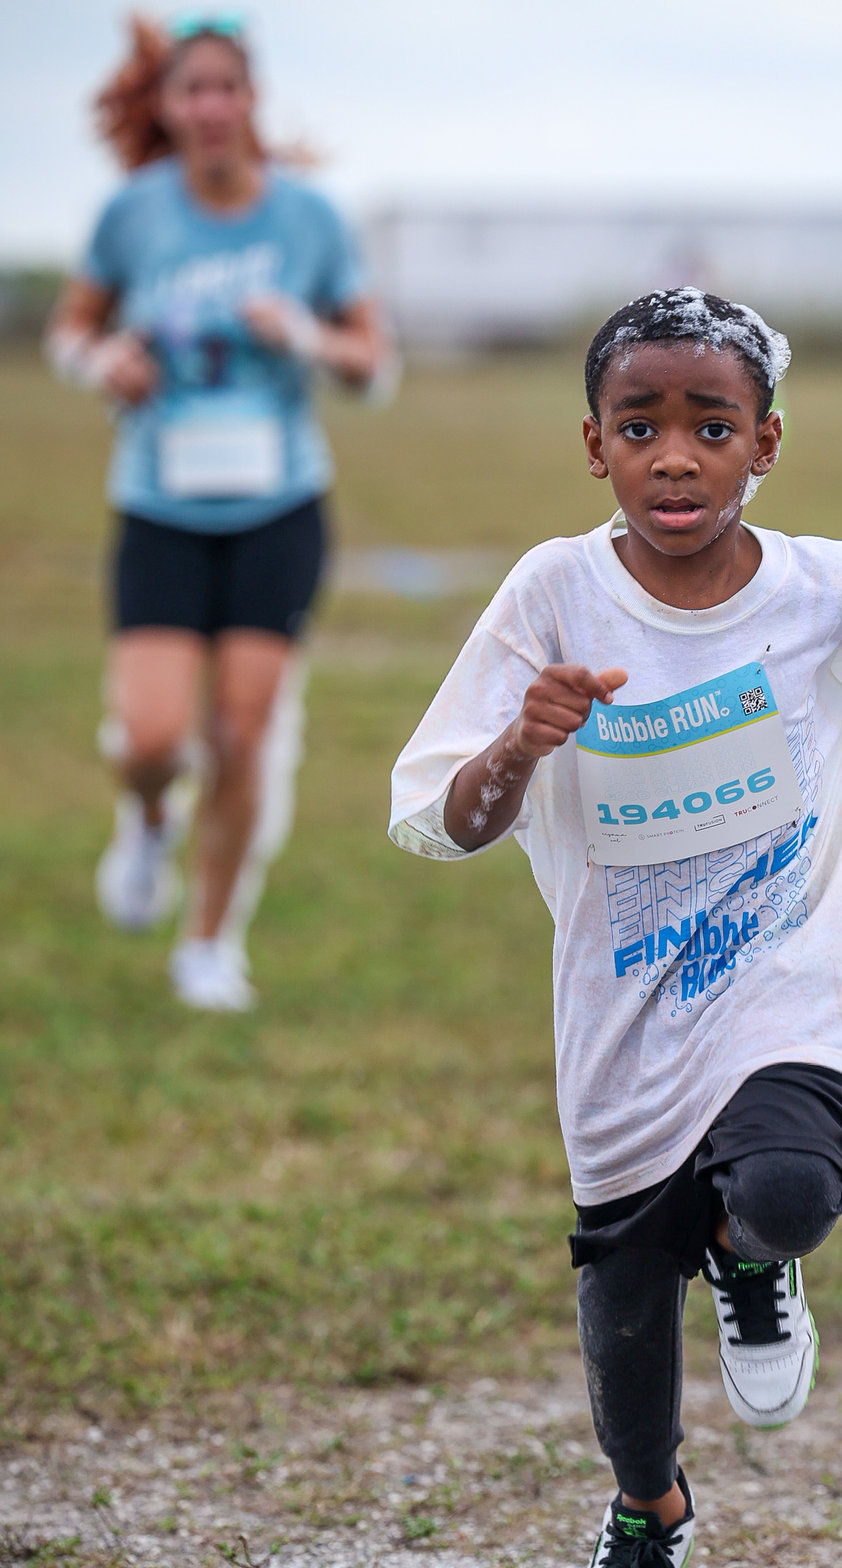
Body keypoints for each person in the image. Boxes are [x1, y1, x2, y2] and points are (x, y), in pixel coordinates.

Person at [389, 288, 842, 1568]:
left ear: (762, 443)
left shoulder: (829, 588)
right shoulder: (551, 593)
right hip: (626, 1008)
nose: (675, 456)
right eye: (641, 425)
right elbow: (453, 818)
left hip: (791, 977)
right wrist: (523, 748)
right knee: (623, 1300)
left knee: (779, 1187)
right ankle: (646, 1511)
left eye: (709, 426)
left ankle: (756, 1257)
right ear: (591, 443)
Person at [47, 14, 394, 1010]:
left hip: (279, 506)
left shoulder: (311, 221)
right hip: (158, 505)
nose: (207, 107)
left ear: (252, 101)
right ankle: (148, 821)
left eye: (224, 89)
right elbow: (74, 322)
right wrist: (96, 357)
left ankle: (208, 942)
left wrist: (307, 338)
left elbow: (375, 363)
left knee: (241, 736)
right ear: (165, 107)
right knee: (153, 738)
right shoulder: (133, 214)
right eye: (187, 89)